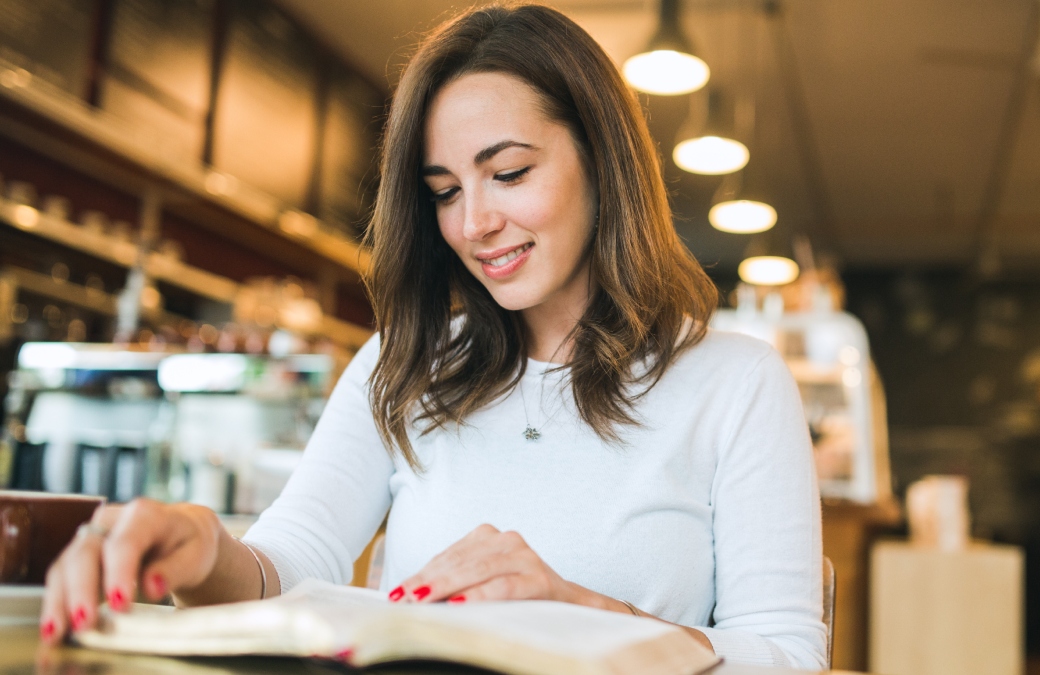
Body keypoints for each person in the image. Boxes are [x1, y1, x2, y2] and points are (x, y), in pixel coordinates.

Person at [39, 4, 826, 669]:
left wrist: (580, 612)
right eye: (444, 190)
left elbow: (788, 655)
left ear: (603, 161)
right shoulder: (405, 361)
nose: (473, 223)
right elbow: (293, 559)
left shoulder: (737, 383)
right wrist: (203, 547)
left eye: (509, 173)